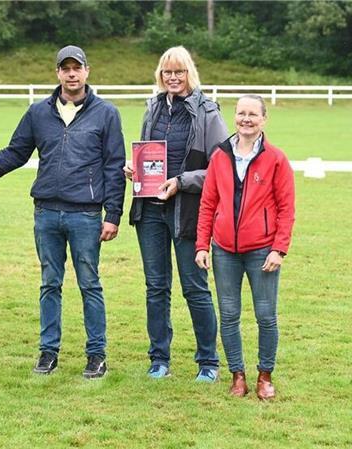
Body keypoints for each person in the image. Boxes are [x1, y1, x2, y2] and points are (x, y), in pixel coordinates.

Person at [0, 45, 125, 379]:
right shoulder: (38, 113)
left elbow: (114, 166)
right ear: (58, 73)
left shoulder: (106, 114)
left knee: (90, 285)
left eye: (77, 68)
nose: (71, 74)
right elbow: (14, 154)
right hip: (46, 213)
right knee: (49, 284)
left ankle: (96, 355)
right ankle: (48, 353)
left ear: (87, 71)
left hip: (86, 215)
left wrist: (113, 214)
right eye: (65, 68)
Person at [124, 46, 228, 382]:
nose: (172, 78)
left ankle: (208, 362)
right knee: (155, 287)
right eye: (167, 72)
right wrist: (136, 170)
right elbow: (149, 153)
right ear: (160, 75)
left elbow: (221, 167)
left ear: (189, 74)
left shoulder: (208, 111)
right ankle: (159, 359)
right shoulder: (153, 107)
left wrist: (182, 181)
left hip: (188, 212)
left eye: (179, 72)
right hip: (151, 211)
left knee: (194, 288)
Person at [195, 95, 295, 400]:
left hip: (262, 250)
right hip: (224, 250)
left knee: (266, 316)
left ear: (263, 120)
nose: (246, 119)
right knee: (229, 315)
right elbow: (208, 203)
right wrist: (202, 245)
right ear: (234, 117)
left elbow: (286, 208)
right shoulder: (219, 156)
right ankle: (237, 374)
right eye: (241, 114)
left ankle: (265, 375)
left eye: (253, 114)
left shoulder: (276, 158)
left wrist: (279, 248)